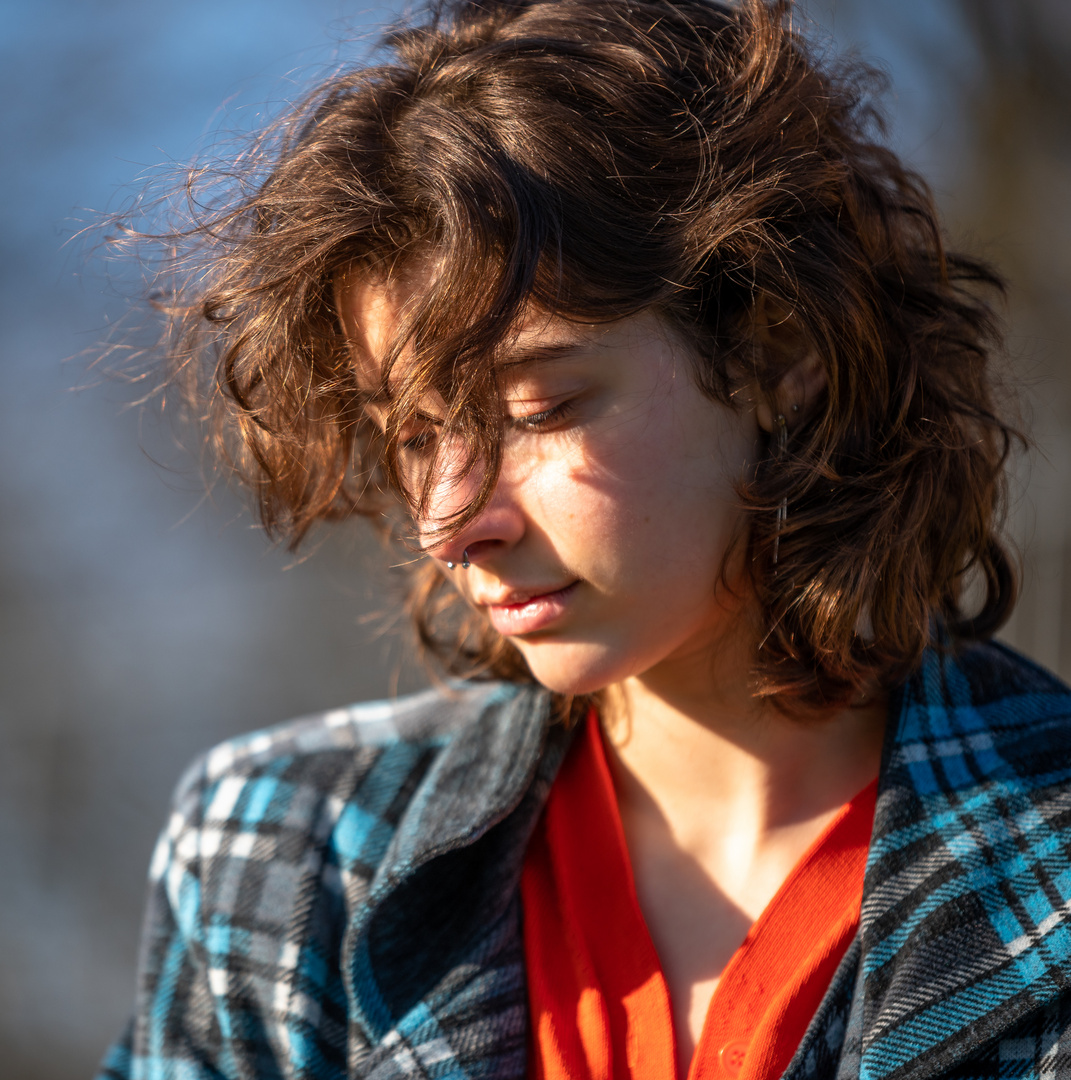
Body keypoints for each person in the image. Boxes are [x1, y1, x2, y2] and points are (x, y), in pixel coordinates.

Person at [97, 2, 1071, 1079]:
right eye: (416, 435)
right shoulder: (283, 868)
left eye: (541, 408)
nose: (453, 521)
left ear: (779, 350)